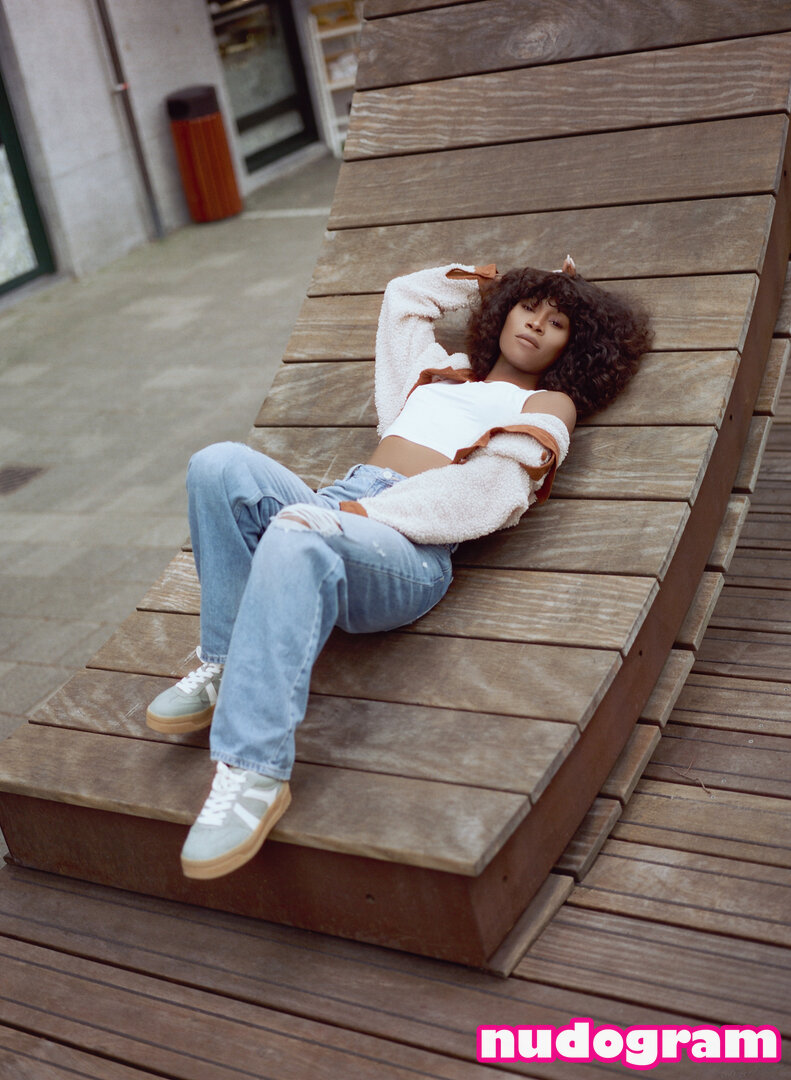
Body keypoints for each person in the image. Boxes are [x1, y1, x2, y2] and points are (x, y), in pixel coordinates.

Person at [146, 257, 652, 881]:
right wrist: (495, 276)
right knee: (218, 464)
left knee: (299, 527)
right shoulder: (435, 373)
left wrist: (368, 513)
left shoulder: (548, 405)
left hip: (407, 544)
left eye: (557, 323)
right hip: (342, 505)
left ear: (573, 347)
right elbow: (405, 297)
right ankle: (225, 663)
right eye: (528, 308)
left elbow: (485, 494)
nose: (535, 325)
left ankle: (254, 771)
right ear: (503, 311)